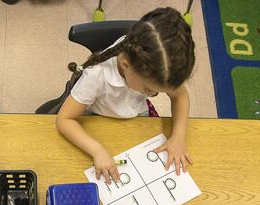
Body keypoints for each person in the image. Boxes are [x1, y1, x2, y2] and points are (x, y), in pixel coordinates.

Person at [56, 7, 195, 182]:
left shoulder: (154, 64)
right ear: (125, 65)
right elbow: (64, 119)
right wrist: (97, 150)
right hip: (97, 118)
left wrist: (178, 137)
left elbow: (180, 96)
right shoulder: (96, 75)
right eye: (148, 89)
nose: (154, 94)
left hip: (135, 116)